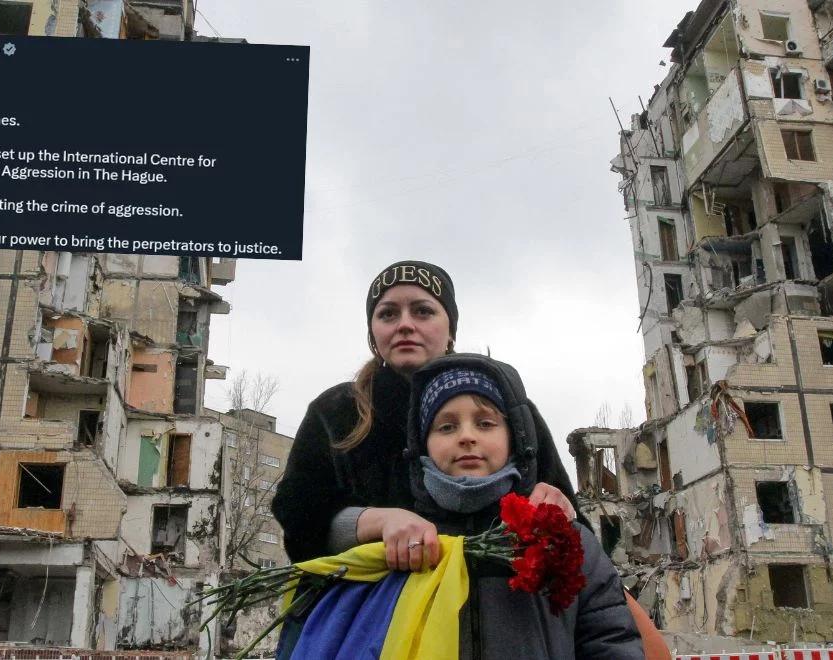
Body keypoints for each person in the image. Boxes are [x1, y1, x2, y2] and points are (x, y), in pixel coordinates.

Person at [270, 259, 669, 658]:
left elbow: (572, 547)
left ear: (450, 328)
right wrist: (377, 523)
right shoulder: (338, 411)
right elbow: (300, 523)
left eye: (423, 310)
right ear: (373, 333)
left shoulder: (510, 407)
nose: (405, 324)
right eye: (388, 313)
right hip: (370, 628)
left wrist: (554, 504)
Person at [406, 355, 643, 659]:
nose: (466, 436)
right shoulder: (406, 542)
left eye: (485, 423)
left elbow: (611, 642)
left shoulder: (567, 539)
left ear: (513, 437)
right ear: (423, 443)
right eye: (447, 427)